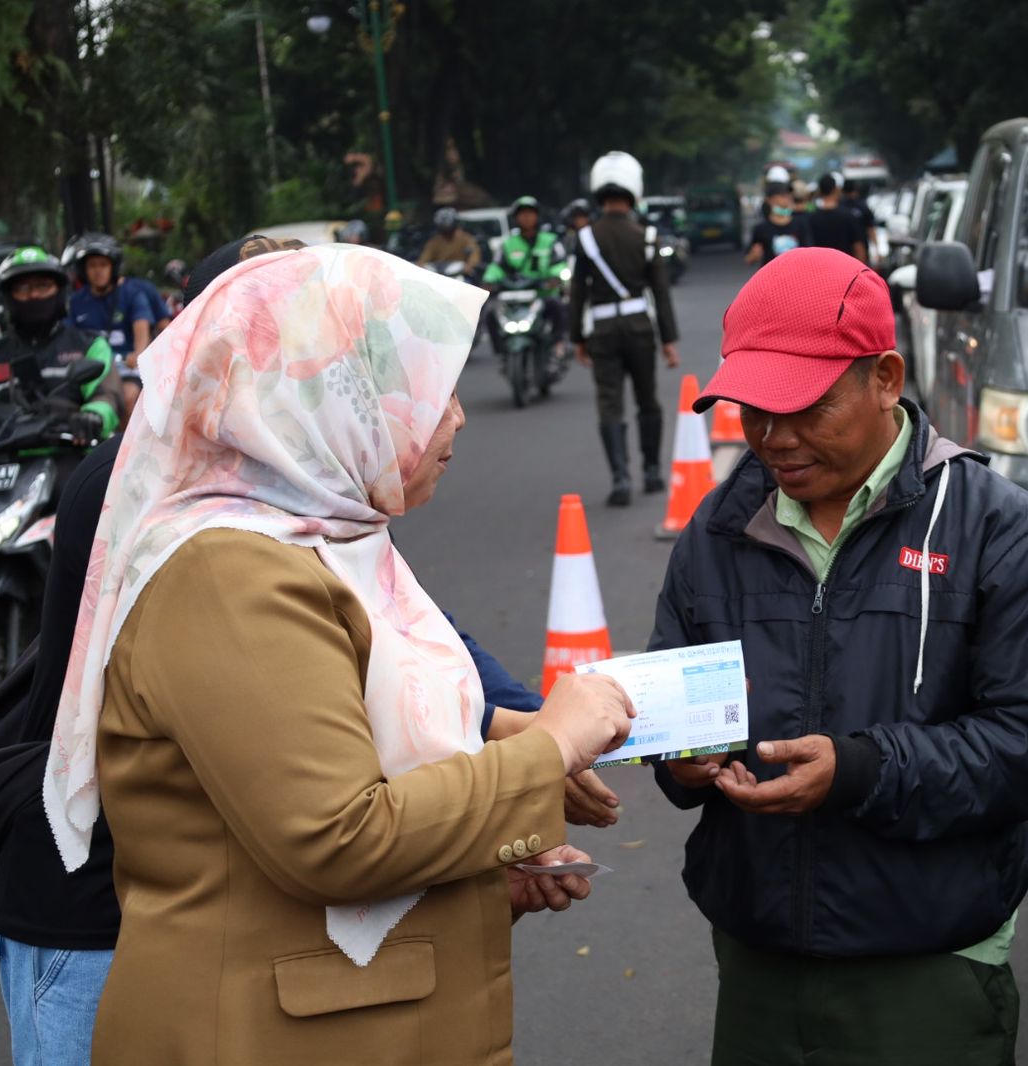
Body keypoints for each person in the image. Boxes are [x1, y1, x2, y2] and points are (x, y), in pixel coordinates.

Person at [41, 243, 634, 1063]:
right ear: (327, 403)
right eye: (429, 391)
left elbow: (364, 780)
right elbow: (338, 835)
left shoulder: (332, 540)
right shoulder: (227, 573)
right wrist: (550, 743)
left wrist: (476, 880)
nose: (456, 416)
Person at [650, 247, 1028, 1066]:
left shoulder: (999, 532)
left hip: (930, 960)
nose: (773, 439)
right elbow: (673, 699)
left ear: (884, 378)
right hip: (757, 955)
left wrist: (859, 771)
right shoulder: (718, 530)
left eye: (805, 407)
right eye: (753, 410)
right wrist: (682, 761)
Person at [568, 150, 680, 507]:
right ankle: (651, 472)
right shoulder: (646, 236)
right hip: (638, 328)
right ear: (634, 189)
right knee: (648, 399)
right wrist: (669, 341)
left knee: (610, 404)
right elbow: (660, 293)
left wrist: (577, 339)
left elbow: (577, 294)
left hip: (602, 330)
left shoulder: (585, 238)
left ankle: (620, 477)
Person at [0, 247, 121, 448]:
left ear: (59, 292)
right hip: (2, 461)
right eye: (23, 289)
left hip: (71, 452)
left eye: (43, 286)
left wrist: (94, 414)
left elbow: (107, 394)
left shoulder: (89, 345)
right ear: (8, 297)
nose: (34, 295)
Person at [66, 232, 157, 410]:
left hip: (125, 368)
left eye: (103, 265)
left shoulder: (132, 294)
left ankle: (123, 439)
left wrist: (138, 354)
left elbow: (142, 328)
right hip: (88, 370)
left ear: (113, 267)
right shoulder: (75, 302)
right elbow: (67, 338)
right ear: (83, 270)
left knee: (128, 397)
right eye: (92, 265)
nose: (98, 270)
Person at [483, 195, 569, 354]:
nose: (526, 217)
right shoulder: (508, 244)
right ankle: (500, 350)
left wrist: (554, 278)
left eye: (530, 213)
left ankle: (558, 344)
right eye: (522, 214)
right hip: (513, 293)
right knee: (490, 312)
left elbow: (560, 264)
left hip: (542, 292)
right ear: (516, 218)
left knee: (557, 306)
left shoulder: (550, 241)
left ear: (537, 216)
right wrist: (489, 281)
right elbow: (496, 267)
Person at [805, 173, 867, 261]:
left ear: (820, 191)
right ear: (836, 190)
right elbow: (858, 246)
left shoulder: (811, 217)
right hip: (845, 266)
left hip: (821, 266)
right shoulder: (848, 215)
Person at [745, 186, 808, 266]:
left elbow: (807, 253)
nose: (788, 198)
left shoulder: (800, 224)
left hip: (795, 275)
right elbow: (748, 259)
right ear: (770, 200)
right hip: (771, 275)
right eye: (782, 195)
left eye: (789, 195)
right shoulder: (761, 229)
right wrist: (754, 255)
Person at [417, 206, 484, 274]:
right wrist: (421, 264)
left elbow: (474, 254)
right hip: (439, 273)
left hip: (459, 273)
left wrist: (470, 265)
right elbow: (425, 256)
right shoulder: (435, 241)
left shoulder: (465, 238)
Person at [842, 179, 880, 262]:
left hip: (842, 252)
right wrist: (876, 249)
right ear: (856, 190)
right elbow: (870, 229)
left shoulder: (839, 206)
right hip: (861, 250)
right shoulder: (862, 206)